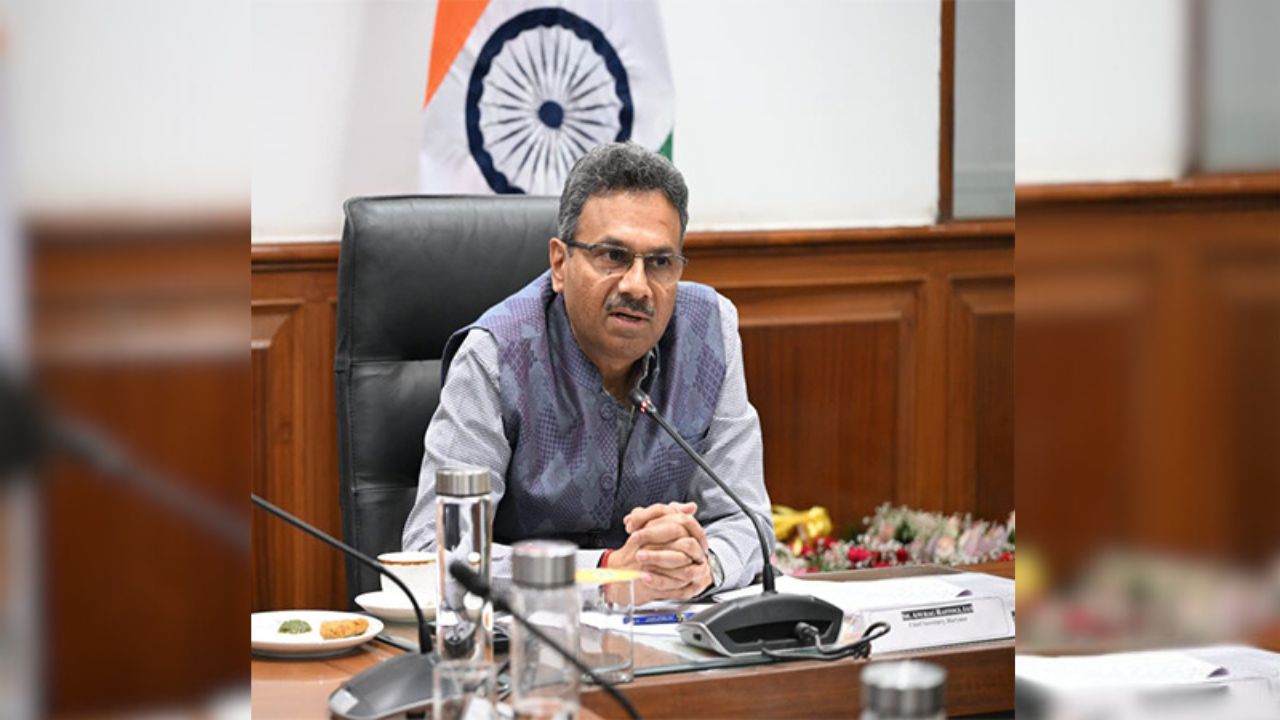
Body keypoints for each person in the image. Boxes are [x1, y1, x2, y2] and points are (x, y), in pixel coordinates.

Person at [402, 143, 772, 603]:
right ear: (560, 264)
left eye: (660, 262)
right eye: (613, 256)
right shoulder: (495, 355)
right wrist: (606, 574)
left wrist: (701, 565)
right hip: (528, 636)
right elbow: (436, 554)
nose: (638, 286)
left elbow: (749, 521)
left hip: (667, 633)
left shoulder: (709, 333)